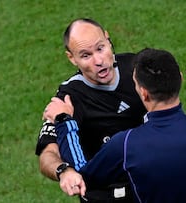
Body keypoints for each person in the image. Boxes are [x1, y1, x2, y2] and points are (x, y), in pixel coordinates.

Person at [44, 48, 186, 202]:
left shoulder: (126, 145)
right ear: (181, 81)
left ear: (143, 93)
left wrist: (64, 121)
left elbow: (82, 173)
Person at [35, 18, 147, 202]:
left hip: (149, 183)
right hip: (105, 195)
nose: (99, 60)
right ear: (72, 58)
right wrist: (64, 171)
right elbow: (48, 154)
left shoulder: (136, 68)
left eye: (100, 48)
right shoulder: (68, 98)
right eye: (86, 55)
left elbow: (169, 90)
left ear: (108, 39)